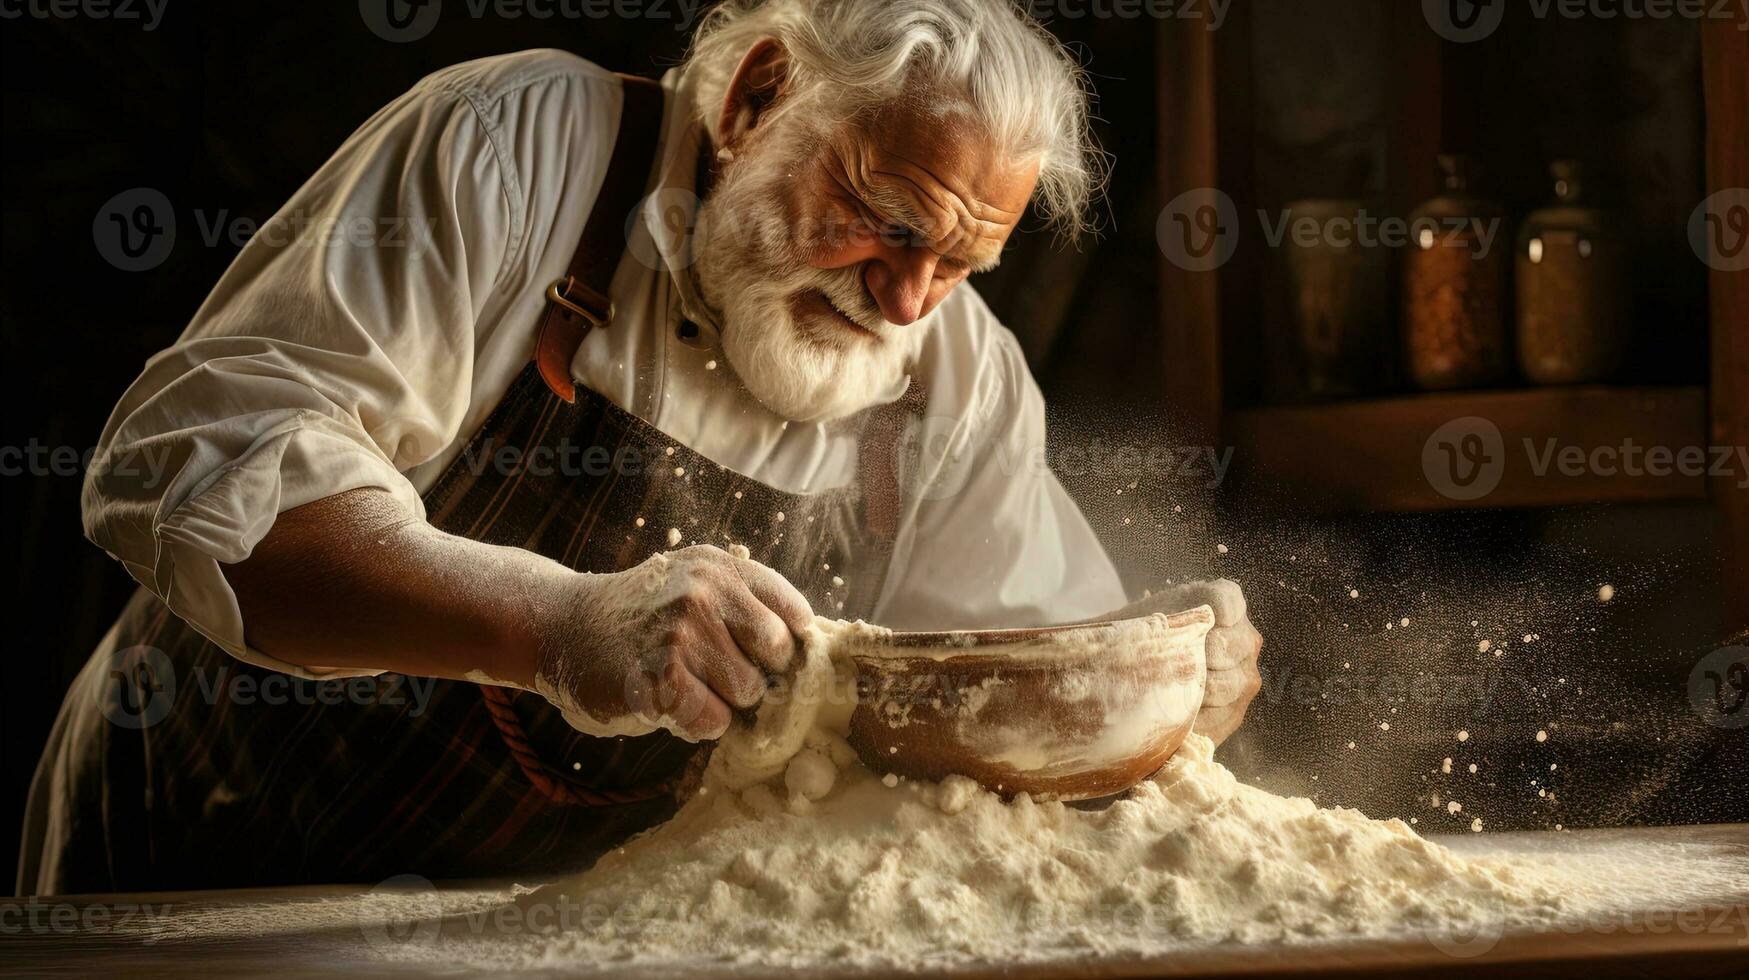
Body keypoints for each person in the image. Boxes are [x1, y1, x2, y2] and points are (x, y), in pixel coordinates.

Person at [19, 0, 1261, 895]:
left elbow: (1010, 687)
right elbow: (189, 463)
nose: (904, 301)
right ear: (757, 94)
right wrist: (560, 623)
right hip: (211, 869)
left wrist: (1146, 680)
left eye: (959, 263)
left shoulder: (956, 377)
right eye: (882, 222)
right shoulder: (523, 148)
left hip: (539, 933)